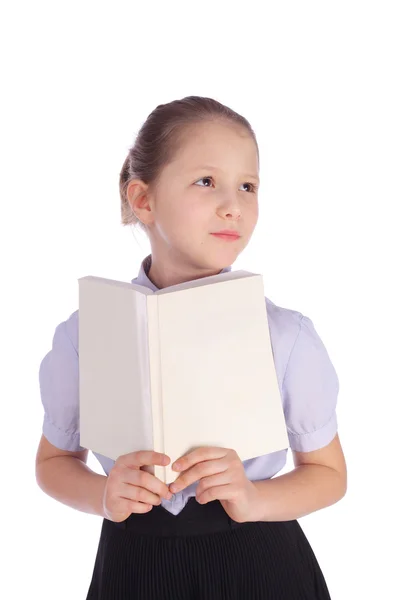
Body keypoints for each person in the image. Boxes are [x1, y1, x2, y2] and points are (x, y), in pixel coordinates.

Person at [35, 95, 347, 599]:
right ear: (143, 200)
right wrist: (104, 495)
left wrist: (253, 497)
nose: (234, 204)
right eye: (207, 182)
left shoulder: (285, 336)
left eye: (249, 186)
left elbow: (329, 474)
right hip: (133, 569)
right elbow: (52, 462)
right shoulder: (85, 334)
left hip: (260, 565)